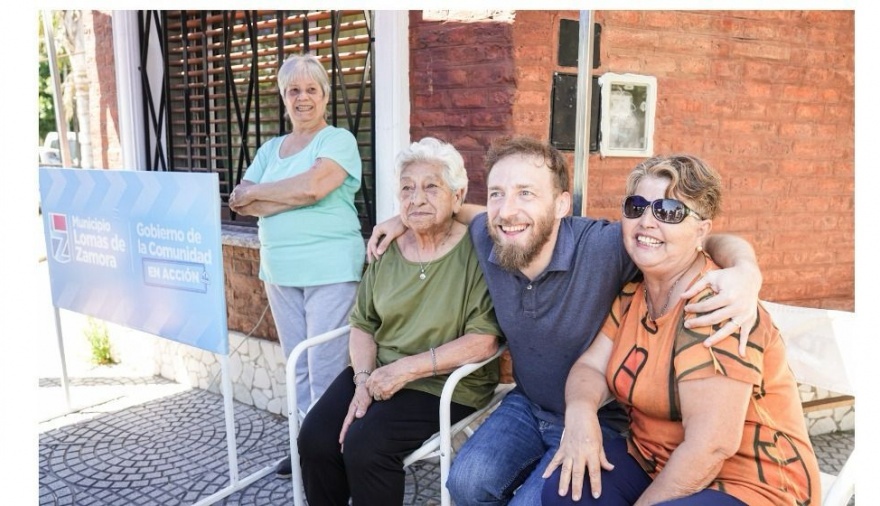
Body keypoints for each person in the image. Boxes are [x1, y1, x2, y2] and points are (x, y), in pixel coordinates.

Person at [367, 136, 763, 505]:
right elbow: (462, 212)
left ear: (561, 205)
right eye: (497, 194)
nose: (507, 210)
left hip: (601, 416)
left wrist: (745, 269)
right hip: (529, 403)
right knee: (465, 482)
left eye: (526, 193)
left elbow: (692, 238)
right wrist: (402, 220)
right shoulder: (493, 234)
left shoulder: (605, 247)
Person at [541, 154, 820, 505]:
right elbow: (589, 367)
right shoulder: (634, 294)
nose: (646, 222)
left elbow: (711, 446)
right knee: (569, 488)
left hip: (750, 481)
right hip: (655, 459)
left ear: (701, 230)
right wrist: (581, 414)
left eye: (669, 212)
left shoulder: (714, 305)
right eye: (637, 206)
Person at [296, 137, 503, 505]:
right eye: (406, 189)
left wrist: (406, 370)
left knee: (365, 446)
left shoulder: (477, 250)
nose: (416, 198)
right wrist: (361, 379)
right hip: (378, 371)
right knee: (314, 438)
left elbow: (484, 341)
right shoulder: (386, 248)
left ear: (458, 196)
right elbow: (363, 322)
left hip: (444, 384)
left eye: (430, 187)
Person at [227, 53, 364, 477]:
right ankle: (307, 447)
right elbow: (238, 200)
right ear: (283, 98)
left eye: (311, 89)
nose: (302, 98)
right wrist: (275, 194)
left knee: (324, 367)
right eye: (293, 91)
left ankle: (334, 453)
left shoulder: (337, 140)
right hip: (281, 271)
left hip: (331, 269)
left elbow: (312, 188)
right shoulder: (272, 148)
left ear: (324, 95)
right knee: (297, 368)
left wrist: (266, 196)